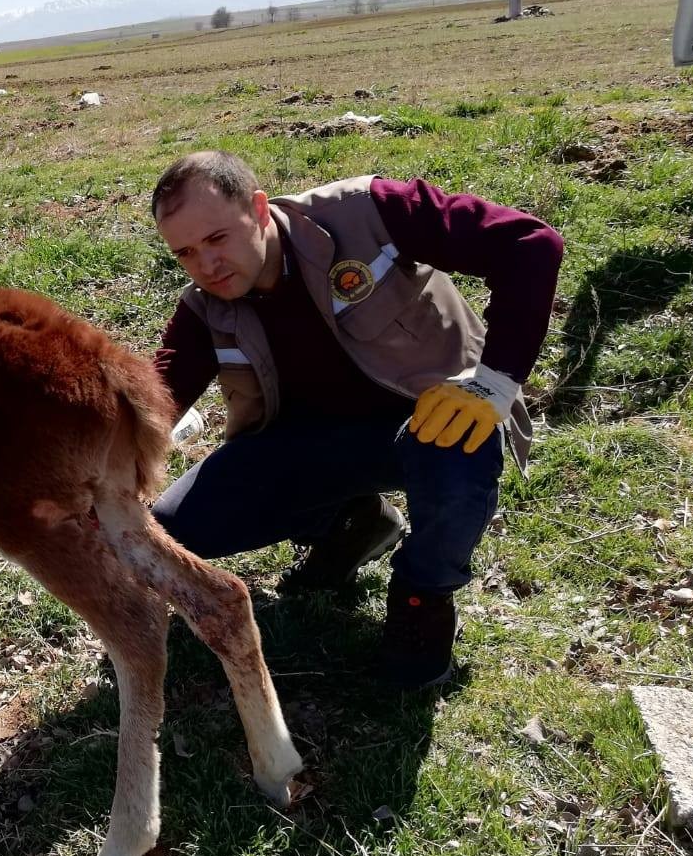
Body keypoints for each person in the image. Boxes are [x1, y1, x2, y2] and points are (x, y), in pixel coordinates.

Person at [147, 151, 564, 689]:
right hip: (313, 447)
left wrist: (494, 384)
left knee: (457, 445)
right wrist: (90, 464)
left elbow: (531, 244)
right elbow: (155, 397)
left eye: (217, 239)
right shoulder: (206, 307)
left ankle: (423, 596)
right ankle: (354, 523)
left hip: (426, 423)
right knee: (171, 529)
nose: (206, 265)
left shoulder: (367, 212)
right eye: (185, 253)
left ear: (257, 208)